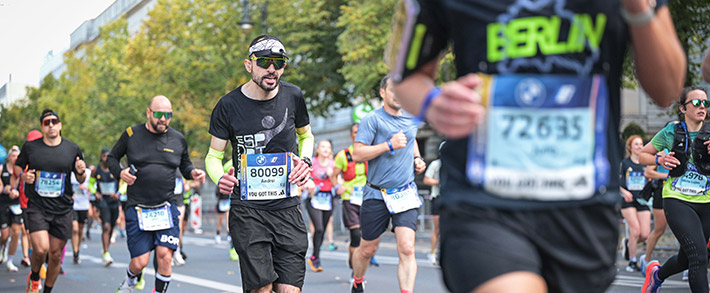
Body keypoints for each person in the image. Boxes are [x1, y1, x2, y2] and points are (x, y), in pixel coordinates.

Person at [388, 0, 686, 292]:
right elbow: (406, 76)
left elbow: (667, 90)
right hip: (483, 201)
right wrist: (432, 103)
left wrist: (636, 7)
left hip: (583, 207)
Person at [205, 34, 313, 293]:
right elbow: (213, 156)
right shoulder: (228, 105)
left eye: (279, 63)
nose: (272, 69)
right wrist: (220, 177)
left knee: (289, 290)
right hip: (248, 210)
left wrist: (306, 162)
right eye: (264, 62)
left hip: (287, 207)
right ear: (248, 64)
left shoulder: (294, 96)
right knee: (262, 288)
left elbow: (306, 135)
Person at [111, 95, 206, 293]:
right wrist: (120, 172)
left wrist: (192, 173)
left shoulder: (178, 139)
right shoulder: (131, 134)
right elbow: (112, 158)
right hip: (138, 207)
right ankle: (129, 282)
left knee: (165, 256)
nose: (163, 119)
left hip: (165, 207)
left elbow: (185, 164)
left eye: (168, 115)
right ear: (149, 113)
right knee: (139, 263)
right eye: (159, 114)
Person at [350, 75, 426, 293]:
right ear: (383, 92)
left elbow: (411, 142)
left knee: (407, 248)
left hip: (405, 193)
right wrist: (389, 145)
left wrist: (417, 160)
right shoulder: (371, 120)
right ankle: (357, 280)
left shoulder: (412, 119)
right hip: (377, 195)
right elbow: (357, 153)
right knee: (367, 249)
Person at [640, 87, 710, 292]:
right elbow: (643, 155)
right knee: (699, 256)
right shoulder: (671, 131)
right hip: (677, 199)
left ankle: (657, 274)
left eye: (706, 103)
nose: (702, 107)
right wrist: (659, 158)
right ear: (683, 108)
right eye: (696, 103)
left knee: (686, 258)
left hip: (706, 201)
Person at [12, 109, 87, 293]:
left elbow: (81, 179)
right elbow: (17, 168)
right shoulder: (31, 148)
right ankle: (35, 276)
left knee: (54, 255)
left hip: (62, 209)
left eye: (54, 121)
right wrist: (23, 176)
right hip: (37, 206)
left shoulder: (72, 149)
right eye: (47, 122)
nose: (51, 125)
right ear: (42, 127)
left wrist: (80, 171)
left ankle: (47, 290)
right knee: (41, 249)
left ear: (60, 125)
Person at [331, 124, 368, 270]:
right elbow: (334, 176)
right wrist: (337, 187)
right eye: (355, 132)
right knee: (355, 234)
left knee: (366, 237)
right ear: (351, 136)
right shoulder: (343, 155)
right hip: (349, 198)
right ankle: (354, 266)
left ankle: (359, 261)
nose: (358, 134)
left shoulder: (369, 153)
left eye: (361, 132)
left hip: (366, 198)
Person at [619, 135, 651, 272]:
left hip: (642, 199)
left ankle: (628, 243)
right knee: (635, 231)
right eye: (636, 144)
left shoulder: (646, 164)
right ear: (630, 147)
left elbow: (650, 178)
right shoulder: (624, 163)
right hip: (628, 201)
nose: (639, 146)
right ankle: (632, 261)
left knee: (644, 234)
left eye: (641, 144)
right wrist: (625, 192)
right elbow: (617, 182)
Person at [306, 139, 336, 272]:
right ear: (317, 149)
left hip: (328, 198)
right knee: (318, 228)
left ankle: (315, 257)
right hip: (313, 199)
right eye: (322, 147)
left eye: (328, 147)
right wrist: (308, 184)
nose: (325, 149)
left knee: (322, 229)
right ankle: (315, 256)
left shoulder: (333, 164)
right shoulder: (312, 163)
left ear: (330, 151)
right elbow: (305, 178)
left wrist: (333, 177)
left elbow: (338, 183)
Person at [89, 148, 120, 266]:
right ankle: (106, 252)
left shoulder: (115, 170)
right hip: (103, 201)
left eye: (109, 156)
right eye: (105, 156)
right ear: (101, 157)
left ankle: (106, 248)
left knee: (112, 225)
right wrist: (95, 193)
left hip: (114, 201)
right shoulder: (96, 170)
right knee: (106, 226)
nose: (107, 158)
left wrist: (118, 193)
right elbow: (90, 184)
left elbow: (123, 183)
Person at [0, 145, 22, 272]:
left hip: (17, 204)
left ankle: (10, 260)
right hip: (3, 203)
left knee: (16, 232)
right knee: (4, 235)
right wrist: (5, 189)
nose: (15, 158)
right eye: (13, 155)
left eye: (17, 156)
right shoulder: (2, 169)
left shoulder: (20, 171)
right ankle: (2, 247)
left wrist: (17, 191)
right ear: (8, 157)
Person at [423, 142, 443, 266]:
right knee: (438, 228)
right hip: (438, 197)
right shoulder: (436, 164)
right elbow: (426, 179)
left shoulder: (456, 164)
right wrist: (439, 182)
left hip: (452, 199)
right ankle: (433, 253)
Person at [70, 158, 92, 264]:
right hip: (72, 205)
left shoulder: (88, 172)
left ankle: (77, 251)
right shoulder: (70, 172)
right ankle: (74, 251)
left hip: (84, 204)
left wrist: (87, 188)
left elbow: (93, 186)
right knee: (74, 229)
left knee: (80, 229)